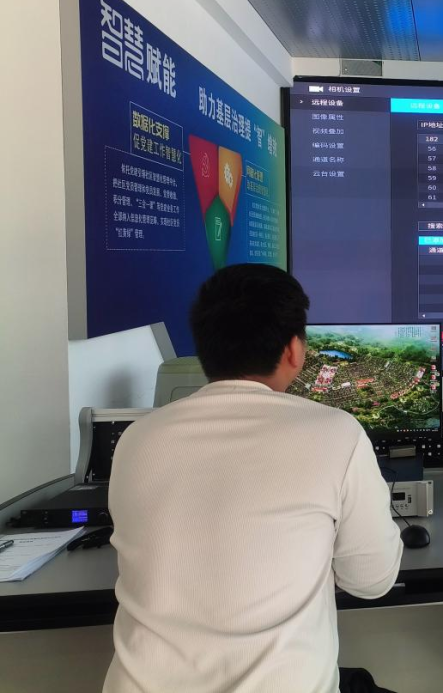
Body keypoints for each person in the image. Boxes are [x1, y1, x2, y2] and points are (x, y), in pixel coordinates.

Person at [104, 264, 403, 693]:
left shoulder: (136, 440)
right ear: (294, 350)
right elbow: (371, 581)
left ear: (204, 348)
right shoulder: (337, 433)